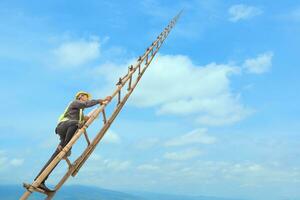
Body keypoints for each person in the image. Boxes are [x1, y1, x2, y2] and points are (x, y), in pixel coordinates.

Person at [35, 91, 112, 192]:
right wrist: (101, 100)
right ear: (80, 97)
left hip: (66, 134)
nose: (87, 99)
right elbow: (86, 104)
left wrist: (100, 107)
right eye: (86, 97)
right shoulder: (74, 103)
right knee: (76, 123)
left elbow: (88, 117)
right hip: (63, 127)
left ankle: (40, 180)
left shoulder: (80, 114)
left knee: (56, 158)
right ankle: (67, 148)